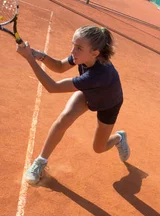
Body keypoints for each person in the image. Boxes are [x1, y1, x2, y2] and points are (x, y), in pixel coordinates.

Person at [16, 25, 130, 185]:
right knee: (64, 119)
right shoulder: (84, 57)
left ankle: (118, 138)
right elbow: (60, 67)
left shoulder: (98, 75)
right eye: (73, 45)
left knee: (99, 148)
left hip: (108, 104)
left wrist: (29, 58)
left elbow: (53, 87)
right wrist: (38, 55)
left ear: (95, 53)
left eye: (78, 48)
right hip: (89, 93)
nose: (72, 51)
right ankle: (40, 162)